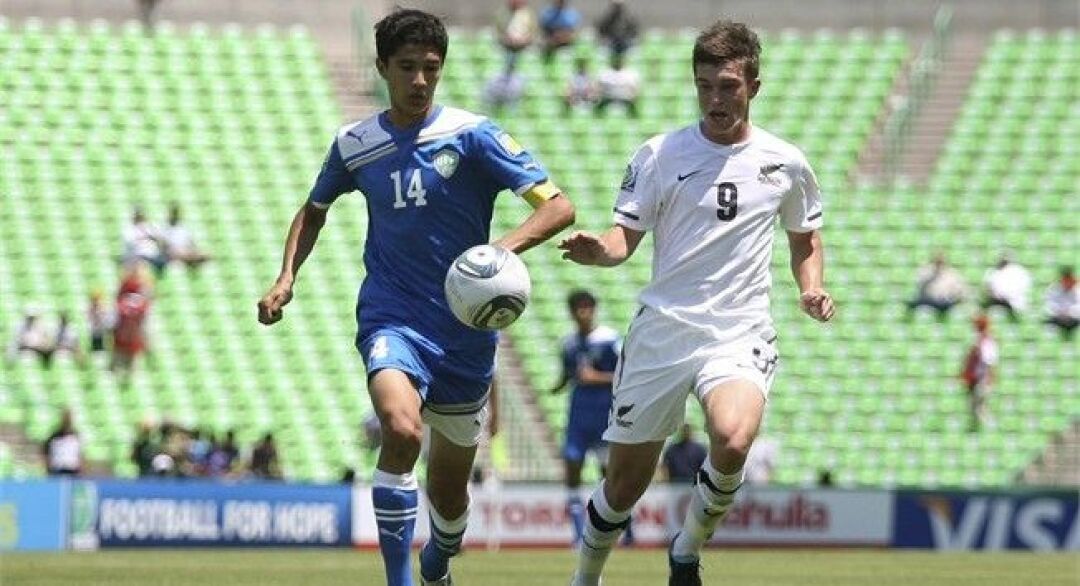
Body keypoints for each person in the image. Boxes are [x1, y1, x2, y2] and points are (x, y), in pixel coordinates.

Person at [256, 10, 574, 586]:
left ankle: (438, 559)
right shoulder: (356, 144)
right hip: (392, 317)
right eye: (406, 67)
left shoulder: (474, 135)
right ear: (382, 67)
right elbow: (314, 210)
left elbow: (558, 207)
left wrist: (497, 253)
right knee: (401, 431)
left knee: (449, 499)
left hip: (465, 335)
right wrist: (286, 277)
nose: (420, 80)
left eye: (431, 67)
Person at [559, 20, 834, 585]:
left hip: (739, 330)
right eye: (704, 86)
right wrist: (598, 251)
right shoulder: (660, 154)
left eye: (727, 86)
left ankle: (685, 550)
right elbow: (622, 240)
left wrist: (811, 286)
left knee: (733, 438)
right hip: (663, 331)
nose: (715, 99)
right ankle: (585, 577)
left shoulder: (785, 162)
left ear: (753, 86)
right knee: (623, 487)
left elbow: (805, 239)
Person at [548, 290, 621, 548]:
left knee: (608, 477)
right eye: (579, 308)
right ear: (571, 312)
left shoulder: (610, 339)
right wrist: (557, 386)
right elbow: (569, 374)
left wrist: (596, 378)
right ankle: (578, 534)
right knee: (572, 470)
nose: (584, 313)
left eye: (588, 307)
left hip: (603, 415)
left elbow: (624, 376)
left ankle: (618, 533)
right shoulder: (568, 343)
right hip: (578, 416)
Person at [661, 424, 708, 539]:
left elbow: (704, 467)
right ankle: (675, 534)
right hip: (675, 485)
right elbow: (665, 467)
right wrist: (666, 481)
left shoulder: (699, 449)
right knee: (675, 513)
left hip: (693, 485)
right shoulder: (672, 448)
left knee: (694, 512)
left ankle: (694, 534)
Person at [111, 263, 153, 379]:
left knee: (128, 372)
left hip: (130, 341)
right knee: (119, 371)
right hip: (123, 341)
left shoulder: (143, 287)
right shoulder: (126, 287)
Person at [960, 314, 998, 432]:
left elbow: (989, 362)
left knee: (980, 407)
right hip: (975, 379)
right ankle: (977, 429)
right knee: (974, 406)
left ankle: (989, 430)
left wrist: (987, 380)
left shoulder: (986, 342)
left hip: (981, 379)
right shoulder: (978, 340)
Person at [905, 253, 968, 321]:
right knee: (917, 307)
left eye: (941, 261)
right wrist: (932, 275)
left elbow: (961, 290)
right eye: (937, 261)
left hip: (946, 302)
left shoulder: (952, 273)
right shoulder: (925, 271)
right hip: (928, 301)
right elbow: (920, 285)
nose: (939, 263)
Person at [981, 252, 1031, 322]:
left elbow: (1024, 287)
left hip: (1015, 300)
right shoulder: (992, 272)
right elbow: (988, 288)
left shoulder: (1019, 271)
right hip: (996, 300)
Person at [163, 203, 212, 270]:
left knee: (206, 254)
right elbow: (164, 245)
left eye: (176, 213)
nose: (174, 216)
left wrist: (194, 249)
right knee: (183, 253)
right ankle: (192, 260)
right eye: (173, 214)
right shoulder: (165, 228)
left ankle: (192, 260)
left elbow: (191, 242)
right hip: (174, 252)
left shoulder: (183, 227)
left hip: (185, 249)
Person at [121, 207, 168, 276]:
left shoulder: (150, 226)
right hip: (138, 255)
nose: (139, 216)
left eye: (140, 214)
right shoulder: (129, 229)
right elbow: (130, 244)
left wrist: (154, 239)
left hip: (153, 255)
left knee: (163, 262)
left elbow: (160, 239)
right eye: (137, 214)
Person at [595, 53, 641, 118]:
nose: (618, 62)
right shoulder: (605, 72)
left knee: (633, 109)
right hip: (609, 97)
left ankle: (634, 120)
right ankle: (597, 119)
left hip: (624, 97)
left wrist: (634, 96)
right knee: (598, 108)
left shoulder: (630, 73)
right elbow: (599, 86)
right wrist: (599, 94)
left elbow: (634, 88)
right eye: (616, 60)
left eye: (620, 61)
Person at [495, 0, 537, 67]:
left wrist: (525, 39)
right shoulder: (502, 14)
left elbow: (533, 32)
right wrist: (505, 39)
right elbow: (498, 32)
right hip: (506, 48)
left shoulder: (528, 14)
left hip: (525, 48)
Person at [43, 409, 82, 476]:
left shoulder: (76, 437)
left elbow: (79, 454)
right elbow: (46, 452)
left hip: (72, 470)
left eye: (69, 417)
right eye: (65, 417)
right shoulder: (54, 437)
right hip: (57, 470)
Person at [1044, 266, 1079, 340]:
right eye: (1065, 281)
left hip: (1074, 319)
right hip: (1057, 318)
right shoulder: (1053, 288)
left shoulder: (1077, 289)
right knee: (1048, 325)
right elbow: (1049, 304)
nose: (1067, 283)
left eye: (1069, 281)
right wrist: (1059, 312)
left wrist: (1070, 312)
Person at [87, 289, 114, 356]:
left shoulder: (102, 308)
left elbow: (105, 318)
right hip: (94, 331)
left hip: (101, 331)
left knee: (102, 348)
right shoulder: (91, 308)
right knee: (94, 348)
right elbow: (89, 318)